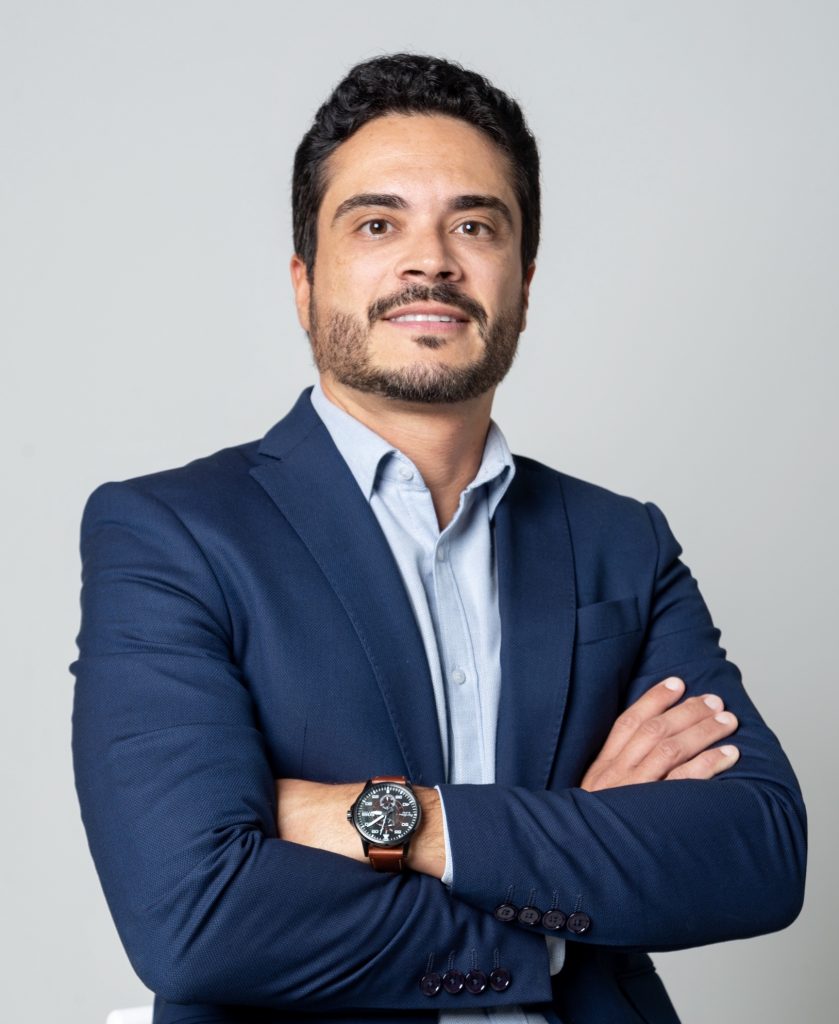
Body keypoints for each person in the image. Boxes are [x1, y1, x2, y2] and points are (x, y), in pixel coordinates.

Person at [71, 54, 806, 1024]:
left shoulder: (621, 543)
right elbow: (193, 919)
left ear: (523, 283)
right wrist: (558, 902)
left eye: (473, 225)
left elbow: (756, 852)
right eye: (377, 224)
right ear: (303, 284)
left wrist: (401, 821)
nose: (431, 262)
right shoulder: (173, 535)